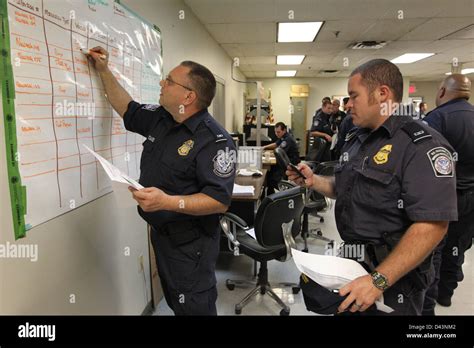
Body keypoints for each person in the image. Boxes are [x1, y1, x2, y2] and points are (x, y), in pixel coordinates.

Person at [287, 59, 457, 315]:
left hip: (395, 278)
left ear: (382, 94)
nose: (348, 104)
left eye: (354, 96)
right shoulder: (360, 139)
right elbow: (346, 186)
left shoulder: (420, 145)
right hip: (355, 263)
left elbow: (432, 226)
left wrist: (378, 280)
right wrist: (314, 181)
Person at [86, 47, 236, 315]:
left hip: (192, 245)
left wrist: (167, 201)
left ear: (188, 96)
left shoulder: (215, 141)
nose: (161, 83)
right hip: (162, 235)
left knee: (194, 306)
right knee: (175, 299)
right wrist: (104, 70)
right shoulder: (162, 118)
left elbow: (218, 201)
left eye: (169, 80)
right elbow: (127, 108)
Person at [422, 74, 474, 314]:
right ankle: (447, 293)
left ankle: (429, 302)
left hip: (443, 198)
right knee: (458, 246)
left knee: (434, 251)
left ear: (442, 91)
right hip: (471, 198)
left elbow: (422, 162)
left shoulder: (437, 118)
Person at [263, 122, 300, 195]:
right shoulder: (283, 137)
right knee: (270, 171)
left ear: (284, 130)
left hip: (291, 162)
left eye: (278, 132)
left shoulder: (287, 139)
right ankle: (269, 193)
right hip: (287, 160)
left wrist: (269, 154)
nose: (277, 134)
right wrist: (264, 147)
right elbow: (276, 144)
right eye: (275, 132)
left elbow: (279, 152)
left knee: (271, 174)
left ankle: (273, 193)